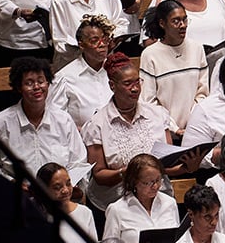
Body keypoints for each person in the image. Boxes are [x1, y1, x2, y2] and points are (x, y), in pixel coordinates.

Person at [82, 51, 192, 216]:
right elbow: (98, 174)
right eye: (127, 83)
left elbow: (167, 165)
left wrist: (188, 166)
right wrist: (128, 172)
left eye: (137, 82)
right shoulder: (97, 123)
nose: (134, 89)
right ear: (112, 85)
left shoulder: (157, 114)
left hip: (157, 199)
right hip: (116, 204)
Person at [0, 56, 87, 180]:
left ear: (48, 83)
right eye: (29, 83)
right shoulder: (0, 122)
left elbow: (79, 161)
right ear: (19, 87)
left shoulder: (63, 120)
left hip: (59, 195)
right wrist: (12, 183)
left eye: (41, 81)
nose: (37, 87)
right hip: (17, 195)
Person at [102, 153, 179, 243]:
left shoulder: (170, 203)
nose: (155, 186)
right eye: (148, 182)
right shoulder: (117, 210)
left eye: (158, 180)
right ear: (134, 182)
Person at [139, 0, 209, 138]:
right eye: (176, 21)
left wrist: (193, 124)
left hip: (195, 130)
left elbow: (202, 92)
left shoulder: (197, 48)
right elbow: (149, 101)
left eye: (185, 20)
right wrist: (173, 128)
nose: (182, 25)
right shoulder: (150, 54)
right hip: (164, 132)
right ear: (162, 23)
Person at [45, 14, 115, 130]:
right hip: (81, 140)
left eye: (105, 39)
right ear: (81, 44)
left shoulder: (115, 70)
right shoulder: (64, 78)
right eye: (95, 40)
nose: (102, 45)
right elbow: (55, 119)